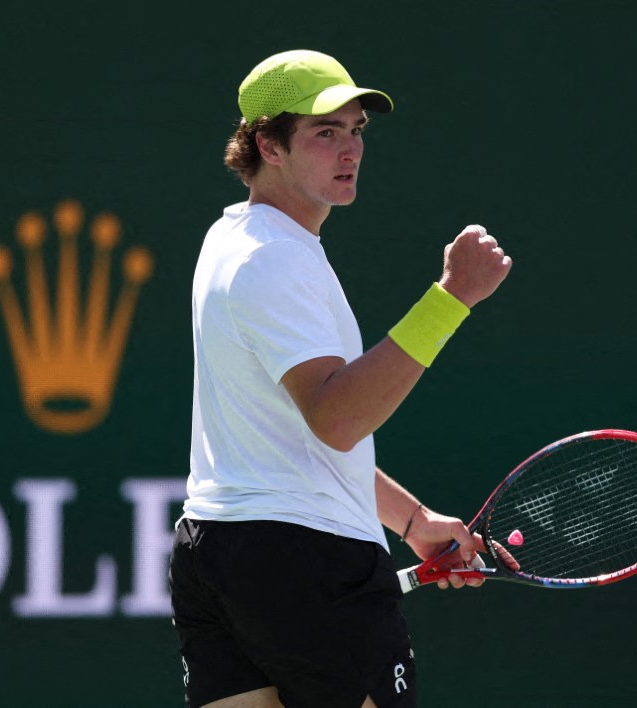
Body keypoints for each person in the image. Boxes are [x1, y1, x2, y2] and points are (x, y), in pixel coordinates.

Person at [170, 49, 512, 708]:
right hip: (302, 561)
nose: (349, 148)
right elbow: (337, 419)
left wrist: (409, 520)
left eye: (355, 130)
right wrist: (451, 298)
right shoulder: (274, 260)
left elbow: (295, 432)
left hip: (214, 552)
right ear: (267, 144)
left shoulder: (234, 239)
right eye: (325, 133)